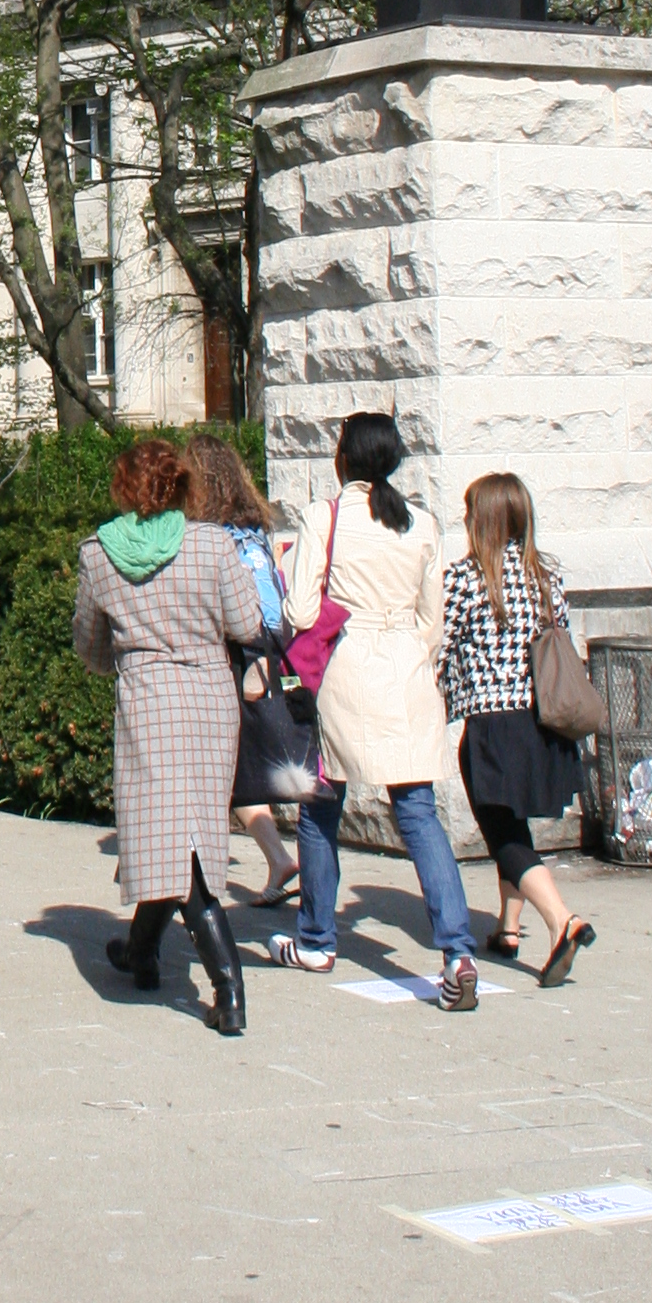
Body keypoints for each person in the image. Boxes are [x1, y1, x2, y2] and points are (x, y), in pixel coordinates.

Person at [275, 410, 478, 1009]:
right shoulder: (422, 523)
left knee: (320, 807)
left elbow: (300, 611)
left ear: (345, 458)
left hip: (347, 667)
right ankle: (458, 950)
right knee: (417, 812)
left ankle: (316, 938)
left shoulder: (325, 516)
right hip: (408, 669)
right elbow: (433, 620)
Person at [73, 439, 263, 1036]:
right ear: (181, 484)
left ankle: (228, 988)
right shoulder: (212, 544)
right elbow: (247, 623)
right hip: (209, 702)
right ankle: (142, 952)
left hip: (148, 702)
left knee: (168, 836)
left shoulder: (99, 554)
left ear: (123, 487)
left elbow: (90, 646)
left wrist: (129, 654)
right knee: (187, 833)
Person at [441, 471, 597, 987]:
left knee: (501, 831)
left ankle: (561, 920)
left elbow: (441, 649)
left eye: (469, 512)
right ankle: (508, 927)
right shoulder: (546, 577)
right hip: (541, 723)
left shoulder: (465, 579)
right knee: (515, 822)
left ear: (482, 520)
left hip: (491, 727)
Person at [180, 435, 302, 905]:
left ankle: (265, 858)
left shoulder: (210, 536)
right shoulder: (254, 530)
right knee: (243, 761)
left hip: (232, 653)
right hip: (267, 651)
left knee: (228, 764)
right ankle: (277, 858)